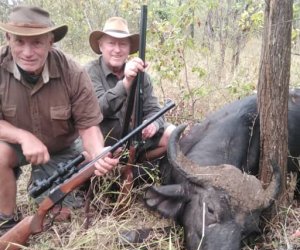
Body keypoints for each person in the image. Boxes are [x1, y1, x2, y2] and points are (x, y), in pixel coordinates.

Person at [0, 6, 119, 232]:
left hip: (63, 149)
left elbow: (89, 126)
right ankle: (6, 221)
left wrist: (98, 154)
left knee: (62, 214)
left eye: (36, 42)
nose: (27, 52)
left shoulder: (72, 71)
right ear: (8, 39)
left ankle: (47, 185)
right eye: (20, 42)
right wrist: (23, 137)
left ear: (50, 41)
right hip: (16, 147)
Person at [85, 17, 176, 162]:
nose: (117, 49)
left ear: (129, 49)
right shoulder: (90, 72)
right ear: (101, 46)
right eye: (111, 43)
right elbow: (99, 109)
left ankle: (136, 168)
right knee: (85, 156)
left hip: (135, 143)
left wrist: (153, 123)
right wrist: (126, 82)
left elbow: (154, 110)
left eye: (123, 44)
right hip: (103, 148)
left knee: (173, 135)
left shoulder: (141, 76)